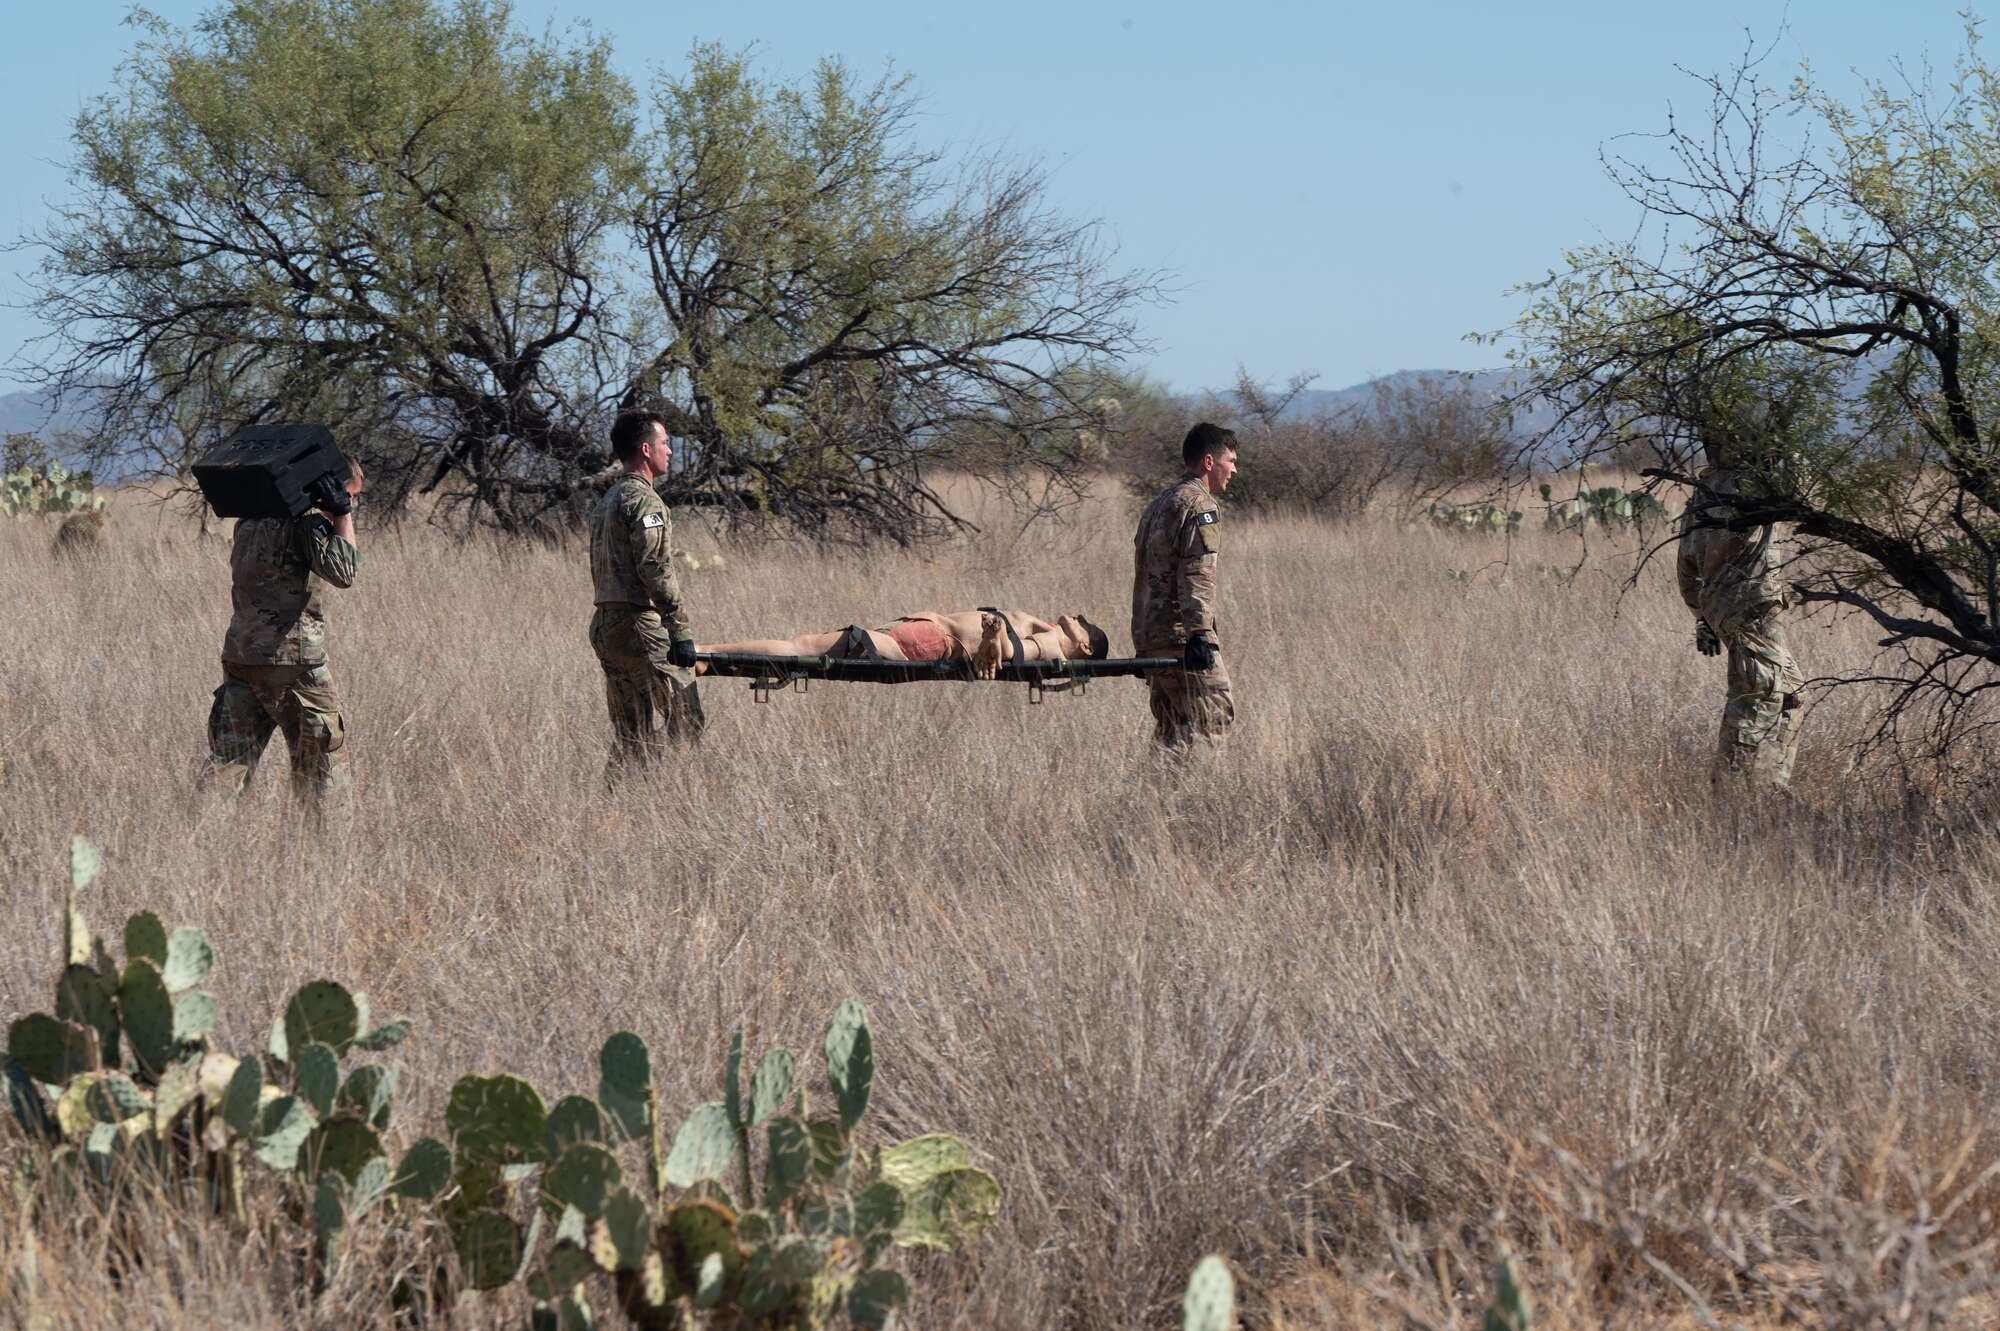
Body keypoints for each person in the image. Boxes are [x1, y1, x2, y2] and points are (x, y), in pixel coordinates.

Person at [197, 453, 363, 808]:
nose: (353, 503)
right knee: (322, 767)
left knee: (228, 764)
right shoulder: (307, 523)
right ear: (331, 487)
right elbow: (344, 572)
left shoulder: (249, 521)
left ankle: (194, 845)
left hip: (242, 657)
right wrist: (342, 516)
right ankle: (328, 857)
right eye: (352, 494)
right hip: (294, 662)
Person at [1678, 428, 1803, 788]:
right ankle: (1732, 797)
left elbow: (1686, 567)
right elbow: (1796, 492)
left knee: (1792, 693)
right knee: (1758, 696)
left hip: (1727, 610)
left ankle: (1770, 787)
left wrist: (1703, 620)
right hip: (1750, 608)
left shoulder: (1702, 494)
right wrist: (1791, 446)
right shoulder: (1745, 486)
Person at [588, 409, 703, 768]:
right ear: (645, 449)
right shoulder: (645, 501)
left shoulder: (606, 501)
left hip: (606, 625)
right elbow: (655, 569)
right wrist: (679, 631)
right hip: (639, 625)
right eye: (665, 443)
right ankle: (673, 801)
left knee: (631, 735)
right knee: (686, 717)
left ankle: (616, 806)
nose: (670, 451)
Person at [1132, 422, 1237, 750]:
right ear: (1209, 462)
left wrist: (1143, 645)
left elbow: (1144, 573)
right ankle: (1200, 798)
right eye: (1230, 461)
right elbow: (1198, 573)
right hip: (1182, 637)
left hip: (1152, 637)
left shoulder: (1158, 505)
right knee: (1214, 717)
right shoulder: (1200, 506)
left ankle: (1152, 797)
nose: (1234, 469)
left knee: (1172, 729)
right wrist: (1199, 636)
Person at [701, 609, 1109, 677]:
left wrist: (993, 634)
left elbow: (1002, 657)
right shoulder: (1047, 628)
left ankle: (708, 654)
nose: (1075, 617)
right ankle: (711, 655)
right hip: (924, 634)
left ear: (1085, 649)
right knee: (804, 644)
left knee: (802, 647)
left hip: (927, 646)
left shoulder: (1052, 646)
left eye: (1084, 625)